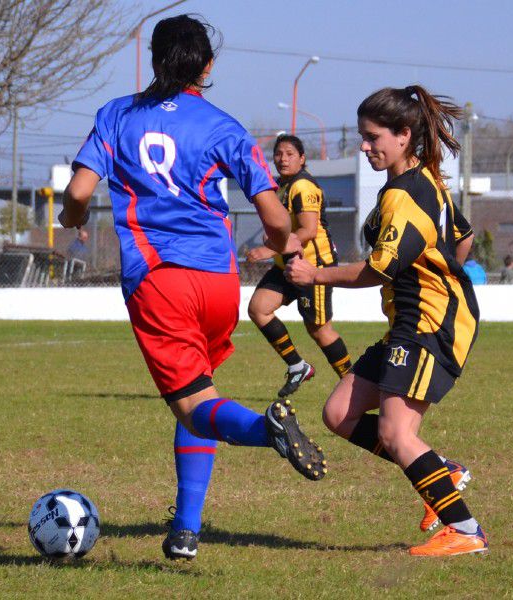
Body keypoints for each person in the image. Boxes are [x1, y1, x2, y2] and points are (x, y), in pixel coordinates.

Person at [59, 15, 327, 562]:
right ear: (207, 67)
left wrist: (71, 215)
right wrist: (282, 245)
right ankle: (185, 529)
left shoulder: (116, 116)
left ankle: (266, 428)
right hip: (218, 281)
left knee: (196, 405)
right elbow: (275, 218)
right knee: (200, 394)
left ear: (155, 60)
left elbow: (80, 191)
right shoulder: (225, 126)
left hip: (160, 280)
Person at [286, 84, 488, 556]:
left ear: (403, 134)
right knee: (338, 414)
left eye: (372, 136)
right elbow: (463, 236)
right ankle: (442, 470)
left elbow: (380, 269)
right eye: (361, 136)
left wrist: (315, 273)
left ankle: (466, 530)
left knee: (396, 434)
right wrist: (441, 270)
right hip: (410, 322)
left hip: (429, 325)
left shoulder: (405, 194)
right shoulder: (423, 181)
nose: (364, 146)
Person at [246, 135, 353, 397]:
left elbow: (308, 230)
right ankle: (297, 366)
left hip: (312, 267)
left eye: (290, 154)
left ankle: (354, 386)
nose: (283, 158)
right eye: (279, 154)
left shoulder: (302, 186)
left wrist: (268, 248)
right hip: (288, 264)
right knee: (259, 308)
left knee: (319, 330)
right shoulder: (283, 186)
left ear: (302, 158)